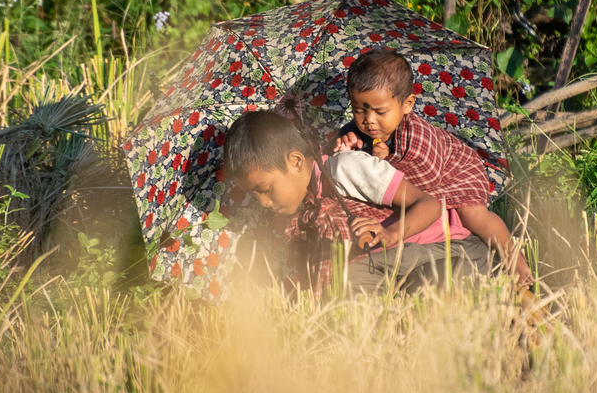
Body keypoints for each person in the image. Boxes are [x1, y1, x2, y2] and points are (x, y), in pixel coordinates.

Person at [223, 110, 491, 295]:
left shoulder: (343, 168)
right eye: (255, 196)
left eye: (266, 189)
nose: (264, 202)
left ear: (295, 161)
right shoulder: (310, 205)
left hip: (443, 247)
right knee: (347, 287)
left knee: (402, 289)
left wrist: (390, 232)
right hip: (398, 256)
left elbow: (430, 204)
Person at [333, 49, 534, 287]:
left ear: (407, 104)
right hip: (426, 176)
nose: (369, 120)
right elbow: (371, 172)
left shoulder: (418, 136)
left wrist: (385, 162)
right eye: (359, 110)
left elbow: (419, 184)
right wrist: (348, 146)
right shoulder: (355, 130)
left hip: (456, 169)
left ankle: (514, 256)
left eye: (380, 111)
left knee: (473, 216)